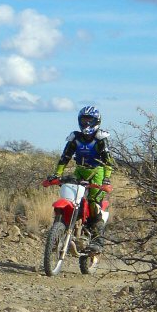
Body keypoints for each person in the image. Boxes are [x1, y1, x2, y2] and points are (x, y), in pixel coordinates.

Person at [45, 105, 114, 252]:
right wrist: (57, 174)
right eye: (84, 120)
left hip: (98, 172)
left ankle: (97, 240)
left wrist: (106, 179)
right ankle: (60, 231)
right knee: (70, 197)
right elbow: (65, 158)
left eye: (90, 120)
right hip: (80, 170)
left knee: (94, 203)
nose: (86, 123)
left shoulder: (100, 139)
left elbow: (108, 162)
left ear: (96, 121)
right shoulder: (75, 138)